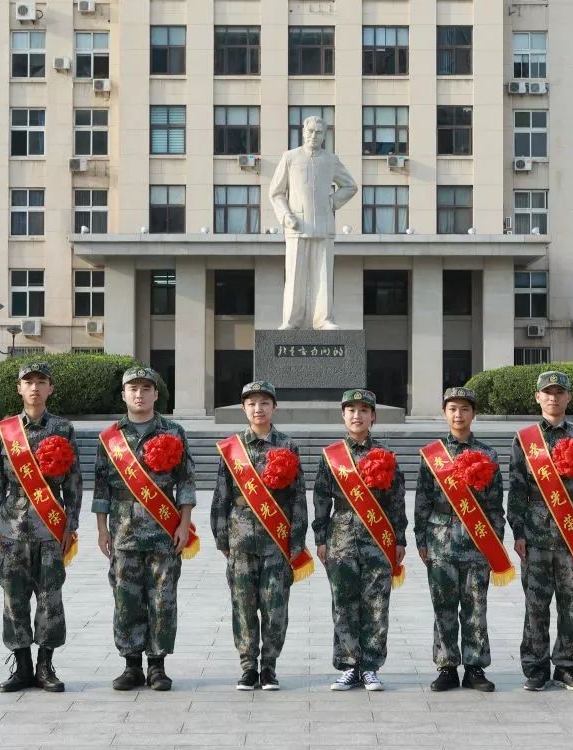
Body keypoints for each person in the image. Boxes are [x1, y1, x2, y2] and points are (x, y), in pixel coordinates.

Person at [94, 366, 198, 692]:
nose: (139, 394)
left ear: (156, 394)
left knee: (162, 600)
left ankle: (157, 666)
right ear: (124, 394)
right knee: (126, 600)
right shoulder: (110, 438)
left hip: (164, 533)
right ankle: (130, 665)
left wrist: (184, 524)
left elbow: (186, 483)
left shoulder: (173, 432)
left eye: (145, 388)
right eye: (133, 388)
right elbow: (101, 489)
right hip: (123, 533)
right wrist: (101, 529)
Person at [507, 371, 573, 691]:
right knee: (535, 605)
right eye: (547, 392)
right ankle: (535, 667)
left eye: (559, 392)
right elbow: (517, 490)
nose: (553, 397)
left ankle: (567, 665)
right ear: (537, 397)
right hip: (535, 537)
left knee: (572, 604)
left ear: (568, 398)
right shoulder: (524, 439)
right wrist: (518, 532)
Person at [211, 380, 311, 690]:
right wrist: (222, 538)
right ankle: (246, 666)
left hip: (276, 541)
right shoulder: (232, 448)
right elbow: (221, 496)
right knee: (242, 605)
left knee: (274, 606)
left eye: (264, 403)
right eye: (252, 403)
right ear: (243, 408)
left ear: (274, 407)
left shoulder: (287, 446)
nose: (258, 408)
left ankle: (269, 666)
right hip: (241, 539)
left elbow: (297, 497)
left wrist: (295, 541)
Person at [0, 362, 82, 693]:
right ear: (18, 388)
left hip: (49, 527)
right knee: (13, 598)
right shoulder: (6, 429)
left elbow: (73, 481)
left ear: (50, 388)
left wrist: (70, 525)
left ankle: (45, 666)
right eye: (28, 382)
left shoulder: (63, 428)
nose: (34, 388)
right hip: (13, 528)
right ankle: (22, 667)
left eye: (41, 382)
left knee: (50, 598)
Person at [416, 387, 513, 692]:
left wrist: (494, 542)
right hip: (440, 536)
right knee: (443, 605)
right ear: (445, 413)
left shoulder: (487, 454)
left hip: (477, 539)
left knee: (475, 605)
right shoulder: (432, 455)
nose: (458, 415)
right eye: (452, 409)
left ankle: (475, 667)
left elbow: (496, 504)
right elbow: (423, 500)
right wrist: (421, 539)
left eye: (464, 409)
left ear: (474, 414)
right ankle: (446, 666)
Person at [312, 389, 407, 692]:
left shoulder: (386, 455)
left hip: (377, 540)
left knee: (377, 604)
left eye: (364, 410)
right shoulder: (332, 456)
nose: (357, 415)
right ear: (343, 416)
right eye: (351, 410)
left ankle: (370, 667)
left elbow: (396, 501)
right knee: (343, 604)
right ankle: (349, 665)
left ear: (373, 416)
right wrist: (321, 537)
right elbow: (321, 498)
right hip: (340, 538)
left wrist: (399, 539)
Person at [269, 115, 358, 330]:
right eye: (309, 131)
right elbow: (276, 192)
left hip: (324, 225)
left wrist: (331, 202)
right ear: (302, 132)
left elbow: (350, 186)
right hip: (296, 225)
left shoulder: (331, 160)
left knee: (323, 276)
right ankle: (291, 320)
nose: (313, 136)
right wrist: (286, 215)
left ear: (324, 135)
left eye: (318, 132)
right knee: (295, 276)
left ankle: (324, 319)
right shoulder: (290, 158)